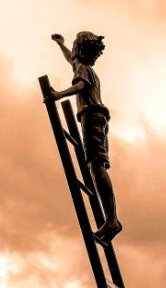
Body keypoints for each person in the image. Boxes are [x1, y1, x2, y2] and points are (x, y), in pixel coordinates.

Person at [50, 31, 122, 240]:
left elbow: (79, 85)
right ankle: (110, 219)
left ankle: (111, 220)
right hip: (96, 118)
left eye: (73, 47)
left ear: (79, 49)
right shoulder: (86, 68)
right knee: (94, 165)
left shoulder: (83, 70)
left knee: (96, 165)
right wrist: (60, 45)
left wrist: (58, 95)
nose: (71, 51)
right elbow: (71, 60)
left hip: (91, 117)